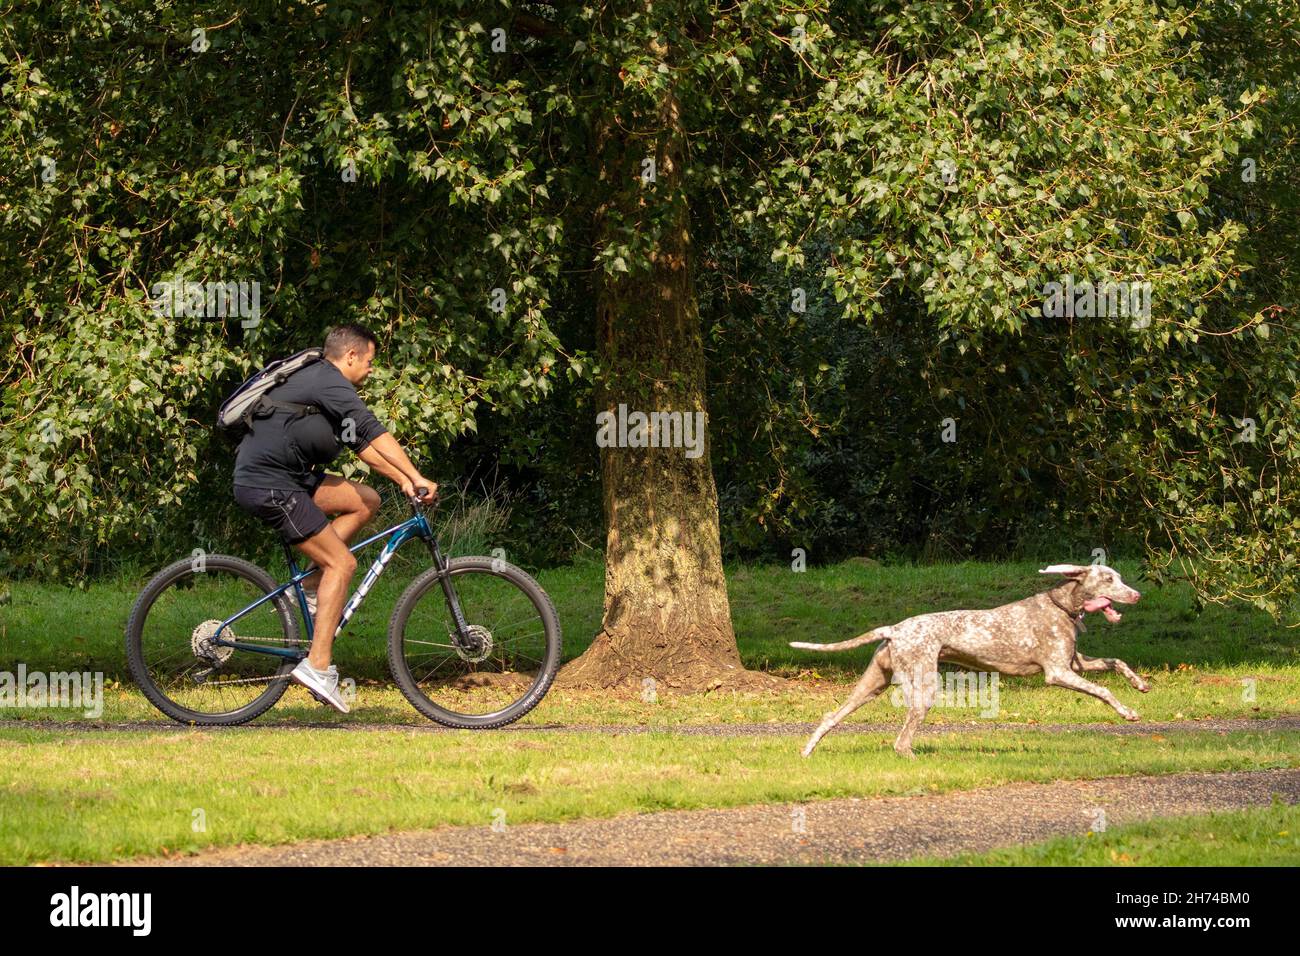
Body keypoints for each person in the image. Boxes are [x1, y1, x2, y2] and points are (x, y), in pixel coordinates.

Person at [232, 324, 436, 712]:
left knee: (365, 500)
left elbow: (364, 446)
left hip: (288, 478)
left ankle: (309, 585)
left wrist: (407, 481)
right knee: (342, 564)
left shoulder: (323, 386)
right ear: (351, 356)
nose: (372, 370)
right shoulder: (329, 380)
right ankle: (317, 666)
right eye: (371, 362)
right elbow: (375, 431)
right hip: (271, 484)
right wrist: (418, 475)